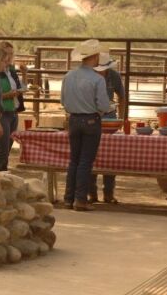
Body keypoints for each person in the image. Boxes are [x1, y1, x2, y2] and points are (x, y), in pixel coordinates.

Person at [61, 39, 110, 212]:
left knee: (74, 159)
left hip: (73, 119)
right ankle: (80, 199)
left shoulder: (68, 76)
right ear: (95, 57)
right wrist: (103, 110)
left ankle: (68, 198)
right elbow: (104, 105)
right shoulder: (97, 79)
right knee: (85, 161)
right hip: (91, 120)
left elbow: (63, 101)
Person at [89, 53, 125, 204]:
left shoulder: (114, 76)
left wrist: (121, 118)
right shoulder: (89, 76)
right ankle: (92, 192)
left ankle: (108, 192)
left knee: (110, 154)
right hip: (92, 115)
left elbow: (122, 96)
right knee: (90, 154)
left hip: (109, 117)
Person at [0, 41, 27, 171]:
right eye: (6, 54)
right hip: (2, 112)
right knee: (2, 147)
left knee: (8, 146)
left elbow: (22, 88)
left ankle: (2, 172)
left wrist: (24, 73)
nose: (9, 57)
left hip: (14, 111)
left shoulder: (11, 70)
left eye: (11, 54)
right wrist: (6, 95)